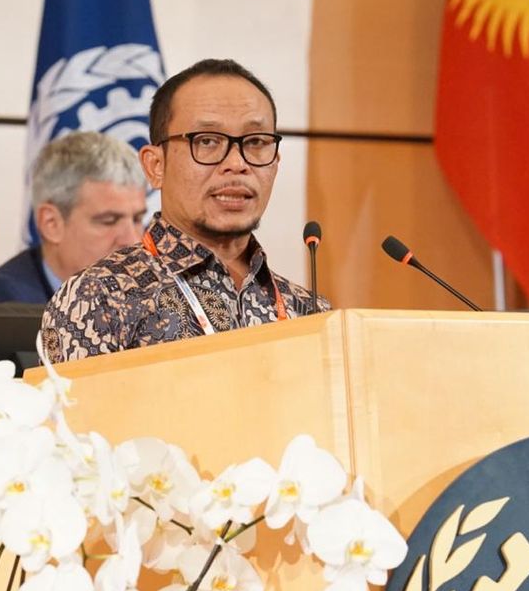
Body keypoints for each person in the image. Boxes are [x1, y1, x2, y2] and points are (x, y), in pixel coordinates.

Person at [42, 58, 329, 363]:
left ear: (275, 162)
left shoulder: (308, 311)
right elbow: (81, 412)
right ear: (155, 165)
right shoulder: (101, 296)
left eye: (256, 141)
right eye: (207, 141)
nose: (237, 163)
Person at [0, 131, 147, 303]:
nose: (132, 241)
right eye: (109, 221)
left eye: (137, 219)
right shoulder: (4, 305)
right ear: (52, 224)